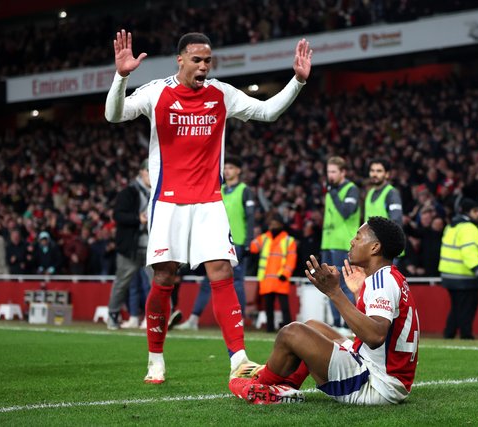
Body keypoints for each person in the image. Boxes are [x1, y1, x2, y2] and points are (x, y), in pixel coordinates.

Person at [105, 30, 312, 383]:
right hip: (168, 203)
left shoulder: (221, 94)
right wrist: (121, 77)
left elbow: (267, 112)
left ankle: (239, 359)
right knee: (165, 278)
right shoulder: (157, 92)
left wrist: (297, 82)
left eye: (208, 61)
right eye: (197, 60)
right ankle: (155, 358)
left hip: (209, 202)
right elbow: (114, 114)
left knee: (221, 273)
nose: (203, 67)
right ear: (181, 59)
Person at [228, 217, 419, 405]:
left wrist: (334, 292)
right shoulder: (390, 276)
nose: (352, 241)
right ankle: (285, 387)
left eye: (358, 237)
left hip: (376, 384)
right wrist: (357, 294)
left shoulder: (381, 282)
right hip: (386, 376)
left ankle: (259, 387)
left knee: (291, 333)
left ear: (375, 247)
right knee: (312, 326)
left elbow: (375, 336)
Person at [174, 156, 255, 330]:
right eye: (225, 168)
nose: (227, 171)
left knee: (237, 282)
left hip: (237, 242)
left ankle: (238, 320)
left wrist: (248, 242)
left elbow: (250, 218)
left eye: (231, 168)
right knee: (207, 281)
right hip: (216, 240)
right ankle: (194, 319)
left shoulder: (244, 190)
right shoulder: (220, 189)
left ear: (238, 171)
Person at [107, 159, 152, 330]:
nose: (151, 174)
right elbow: (118, 215)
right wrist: (137, 219)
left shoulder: (159, 192)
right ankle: (112, 315)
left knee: (159, 282)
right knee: (122, 282)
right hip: (130, 247)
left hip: (152, 246)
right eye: (148, 170)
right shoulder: (129, 192)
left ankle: (159, 317)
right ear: (141, 172)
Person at [320, 156, 360, 330]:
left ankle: (347, 323)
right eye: (328, 171)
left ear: (343, 172)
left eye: (334, 172)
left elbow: (346, 211)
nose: (330, 175)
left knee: (344, 284)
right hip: (328, 242)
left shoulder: (351, 189)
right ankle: (336, 323)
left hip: (343, 243)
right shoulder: (331, 190)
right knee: (329, 283)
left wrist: (333, 192)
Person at [438, 198, 478, 340]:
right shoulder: (469, 228)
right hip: (464, 276)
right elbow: (469, 252)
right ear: (468, 212)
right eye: (475, 211)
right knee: (468, 306)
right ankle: (466, 335)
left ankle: (449, 333)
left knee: (457, 307)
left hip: (449, 275)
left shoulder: (451, 226)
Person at [249, 212, 297, 332]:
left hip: (281, 279)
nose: (273, 227)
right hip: (267, 280)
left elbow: (291, 260)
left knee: (285, 308)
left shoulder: (288, 240)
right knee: (268, 308)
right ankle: (270, 329)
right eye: (271, 224)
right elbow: (253, 247)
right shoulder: (265, 238)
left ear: (281, 225)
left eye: (275, 224)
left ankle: (290, 331)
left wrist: (285, 274)